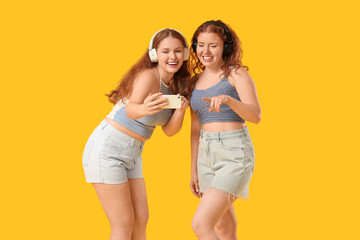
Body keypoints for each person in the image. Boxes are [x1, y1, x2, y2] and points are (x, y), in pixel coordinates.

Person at [82, 28, 190, 240]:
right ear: (154, 54)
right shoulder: (148, 77)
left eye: (178, 51)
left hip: (132, 154)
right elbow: (130, 110)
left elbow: (169, 131)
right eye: (165, 51)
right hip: (108, 149)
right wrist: (146, 109)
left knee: (141, 220)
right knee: (123, 223)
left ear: (185, 54)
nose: (172, 57)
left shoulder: (176, 85)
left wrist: (181, 111)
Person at [188, 20, 261, 240]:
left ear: (225, 47)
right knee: (224, 227)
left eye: (213, 45)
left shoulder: (235, 74)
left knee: (201, 225)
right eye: (201, 45)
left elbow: (255, 115)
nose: (205, 51)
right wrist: (193, 169)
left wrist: (229, 100)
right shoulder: (194, 82)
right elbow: (194, 128)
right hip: (205, 156)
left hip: (234, 153)